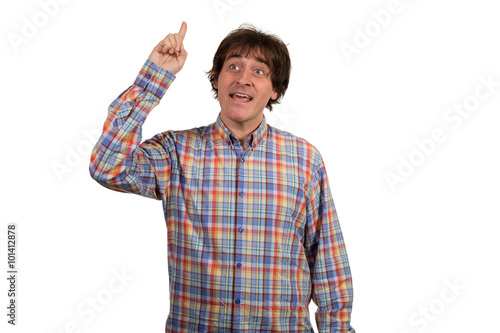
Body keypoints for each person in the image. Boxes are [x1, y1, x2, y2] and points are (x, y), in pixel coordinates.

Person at [90, 21, 355, 333]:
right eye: (233, 66)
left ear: (275, 90)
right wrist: (154, 79)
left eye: (259, 71)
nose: (243, 79)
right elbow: (107, 166)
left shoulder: (304, 159)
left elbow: (327, 261)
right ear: (216, 79)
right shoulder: (176, 151)